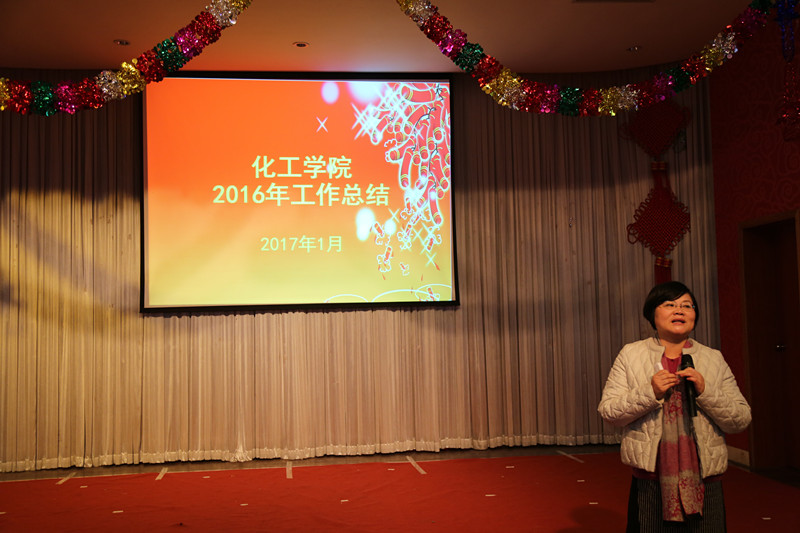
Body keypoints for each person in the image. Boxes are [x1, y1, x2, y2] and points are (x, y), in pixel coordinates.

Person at [598, 281, 751, 532]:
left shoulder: (713, 358)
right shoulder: (631, 354)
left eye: (687, 306)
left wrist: (705, 391)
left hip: (705, 479)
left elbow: (740, 419)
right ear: (652, 313)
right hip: (651, 478)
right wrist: (650, 392)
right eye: (670, 304)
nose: (679, 310)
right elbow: (609, 411)